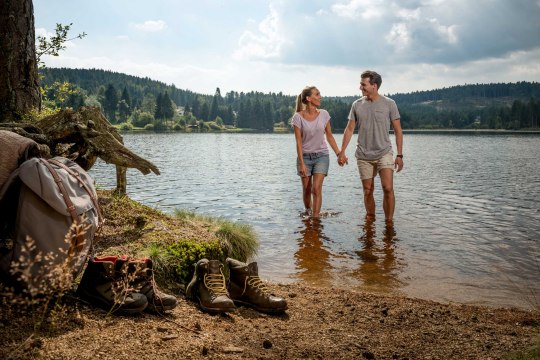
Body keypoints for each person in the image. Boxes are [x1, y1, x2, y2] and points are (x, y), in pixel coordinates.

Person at [338, 71, 404, 223]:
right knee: (368, 191)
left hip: (384, 153)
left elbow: (398, 131)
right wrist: (342, 152)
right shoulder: (357, 105)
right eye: (361, 84)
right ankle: (370, 221)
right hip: (363, 155)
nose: (360, 87)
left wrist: (399, 155)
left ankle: (389, 223)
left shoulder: (389, 104)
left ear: (374, 86)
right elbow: (349, 129)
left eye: (363, 84)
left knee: (387, 188)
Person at [292, 86, 341, 218]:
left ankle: (315, 218)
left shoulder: (324, 114)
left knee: (316, 188)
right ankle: (308, 212)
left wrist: (339, 153)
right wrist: (302, 163)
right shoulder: (298, 117)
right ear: (308, 98)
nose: (320, 96)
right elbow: (298, 142)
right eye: (317, 94)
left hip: (322, 156)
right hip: (305, 158)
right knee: (307, 190)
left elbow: (329, 136)